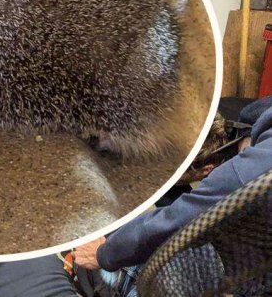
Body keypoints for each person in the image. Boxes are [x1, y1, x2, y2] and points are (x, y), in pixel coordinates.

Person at [73, 102, 272, 272]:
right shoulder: (253, 114)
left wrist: (103, 254)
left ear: (206, 171)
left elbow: (179, 219)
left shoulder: (245, 177)